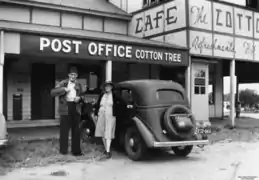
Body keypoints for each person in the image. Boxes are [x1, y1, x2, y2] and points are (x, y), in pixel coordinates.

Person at [51, 67, 84, 156]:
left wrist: (79, 98)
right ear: (69, 75)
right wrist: (63, 89)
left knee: (76, 130)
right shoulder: (63, 83)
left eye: (75, 75)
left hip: (75, 108)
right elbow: (53, 92)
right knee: (64, 130)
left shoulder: (79, 85)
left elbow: (83, 96)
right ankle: (63, 151)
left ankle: (76, 151)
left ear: (77, 76)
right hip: (65, 108)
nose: (73, 76)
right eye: (71, 74)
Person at [94, 81, 119, 159]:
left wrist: (117, 112)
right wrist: (95, 114)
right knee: (102, 132)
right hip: (101, 114)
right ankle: (106, 149)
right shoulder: (102, 94)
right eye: (106, 86)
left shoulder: (115, 96)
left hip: (110, 115)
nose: (107, 88)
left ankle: (108, 151)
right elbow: (98, 104)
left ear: (111, 87)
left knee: (108, 132)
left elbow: (120, 104)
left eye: (109, 86)